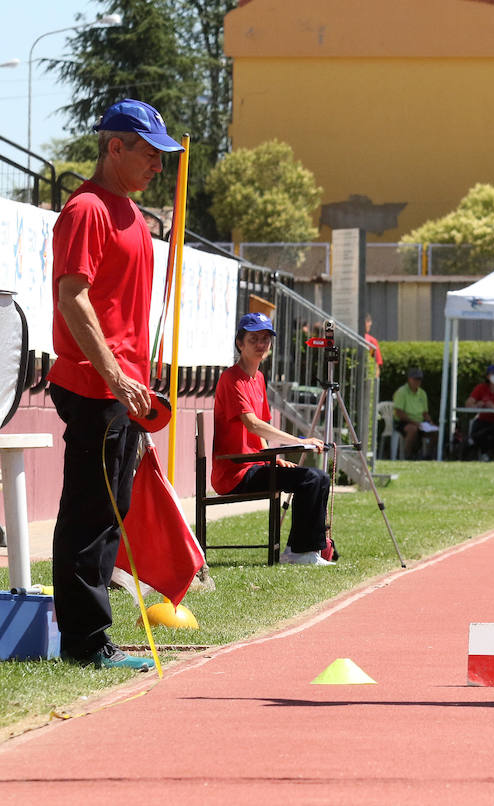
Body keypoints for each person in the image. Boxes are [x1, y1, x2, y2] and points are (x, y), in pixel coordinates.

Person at [48, 99, 184, 669]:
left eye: (163, 157)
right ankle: (85, 643)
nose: (159, 166)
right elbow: (72, 296)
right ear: (115, 147)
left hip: (126, 387)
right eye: (150, 154)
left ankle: (92, 637)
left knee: (112, 507)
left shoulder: (131, 213)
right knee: (89, 511)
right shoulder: (86, 209)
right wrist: (113, 375)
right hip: (95, 384)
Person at [212, 313, 332, 565]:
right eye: (254, 338)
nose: (261, 344)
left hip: (256, 465)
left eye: (266, 339)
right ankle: (299, 552)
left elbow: (260, 433)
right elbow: (253, 424)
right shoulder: (231, 378)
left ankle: (308, 551)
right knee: (310, 478)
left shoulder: (259, 378)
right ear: (240, 343)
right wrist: (298, 441)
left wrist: (273, 461)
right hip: (235, 472)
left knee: (319, 477)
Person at [393, 367, 437, 460]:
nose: (417, 381)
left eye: (419, 379)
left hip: (420, 423)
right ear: (409, 379)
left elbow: (425, 413)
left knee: (434, 432)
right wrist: (414, 422)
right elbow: (398, 413)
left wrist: (430, 422)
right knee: (412, 429)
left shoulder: (422, 393)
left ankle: (428, 456)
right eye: (415, 379)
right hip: (403, 422)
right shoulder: (401, 392)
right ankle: (407, 456)